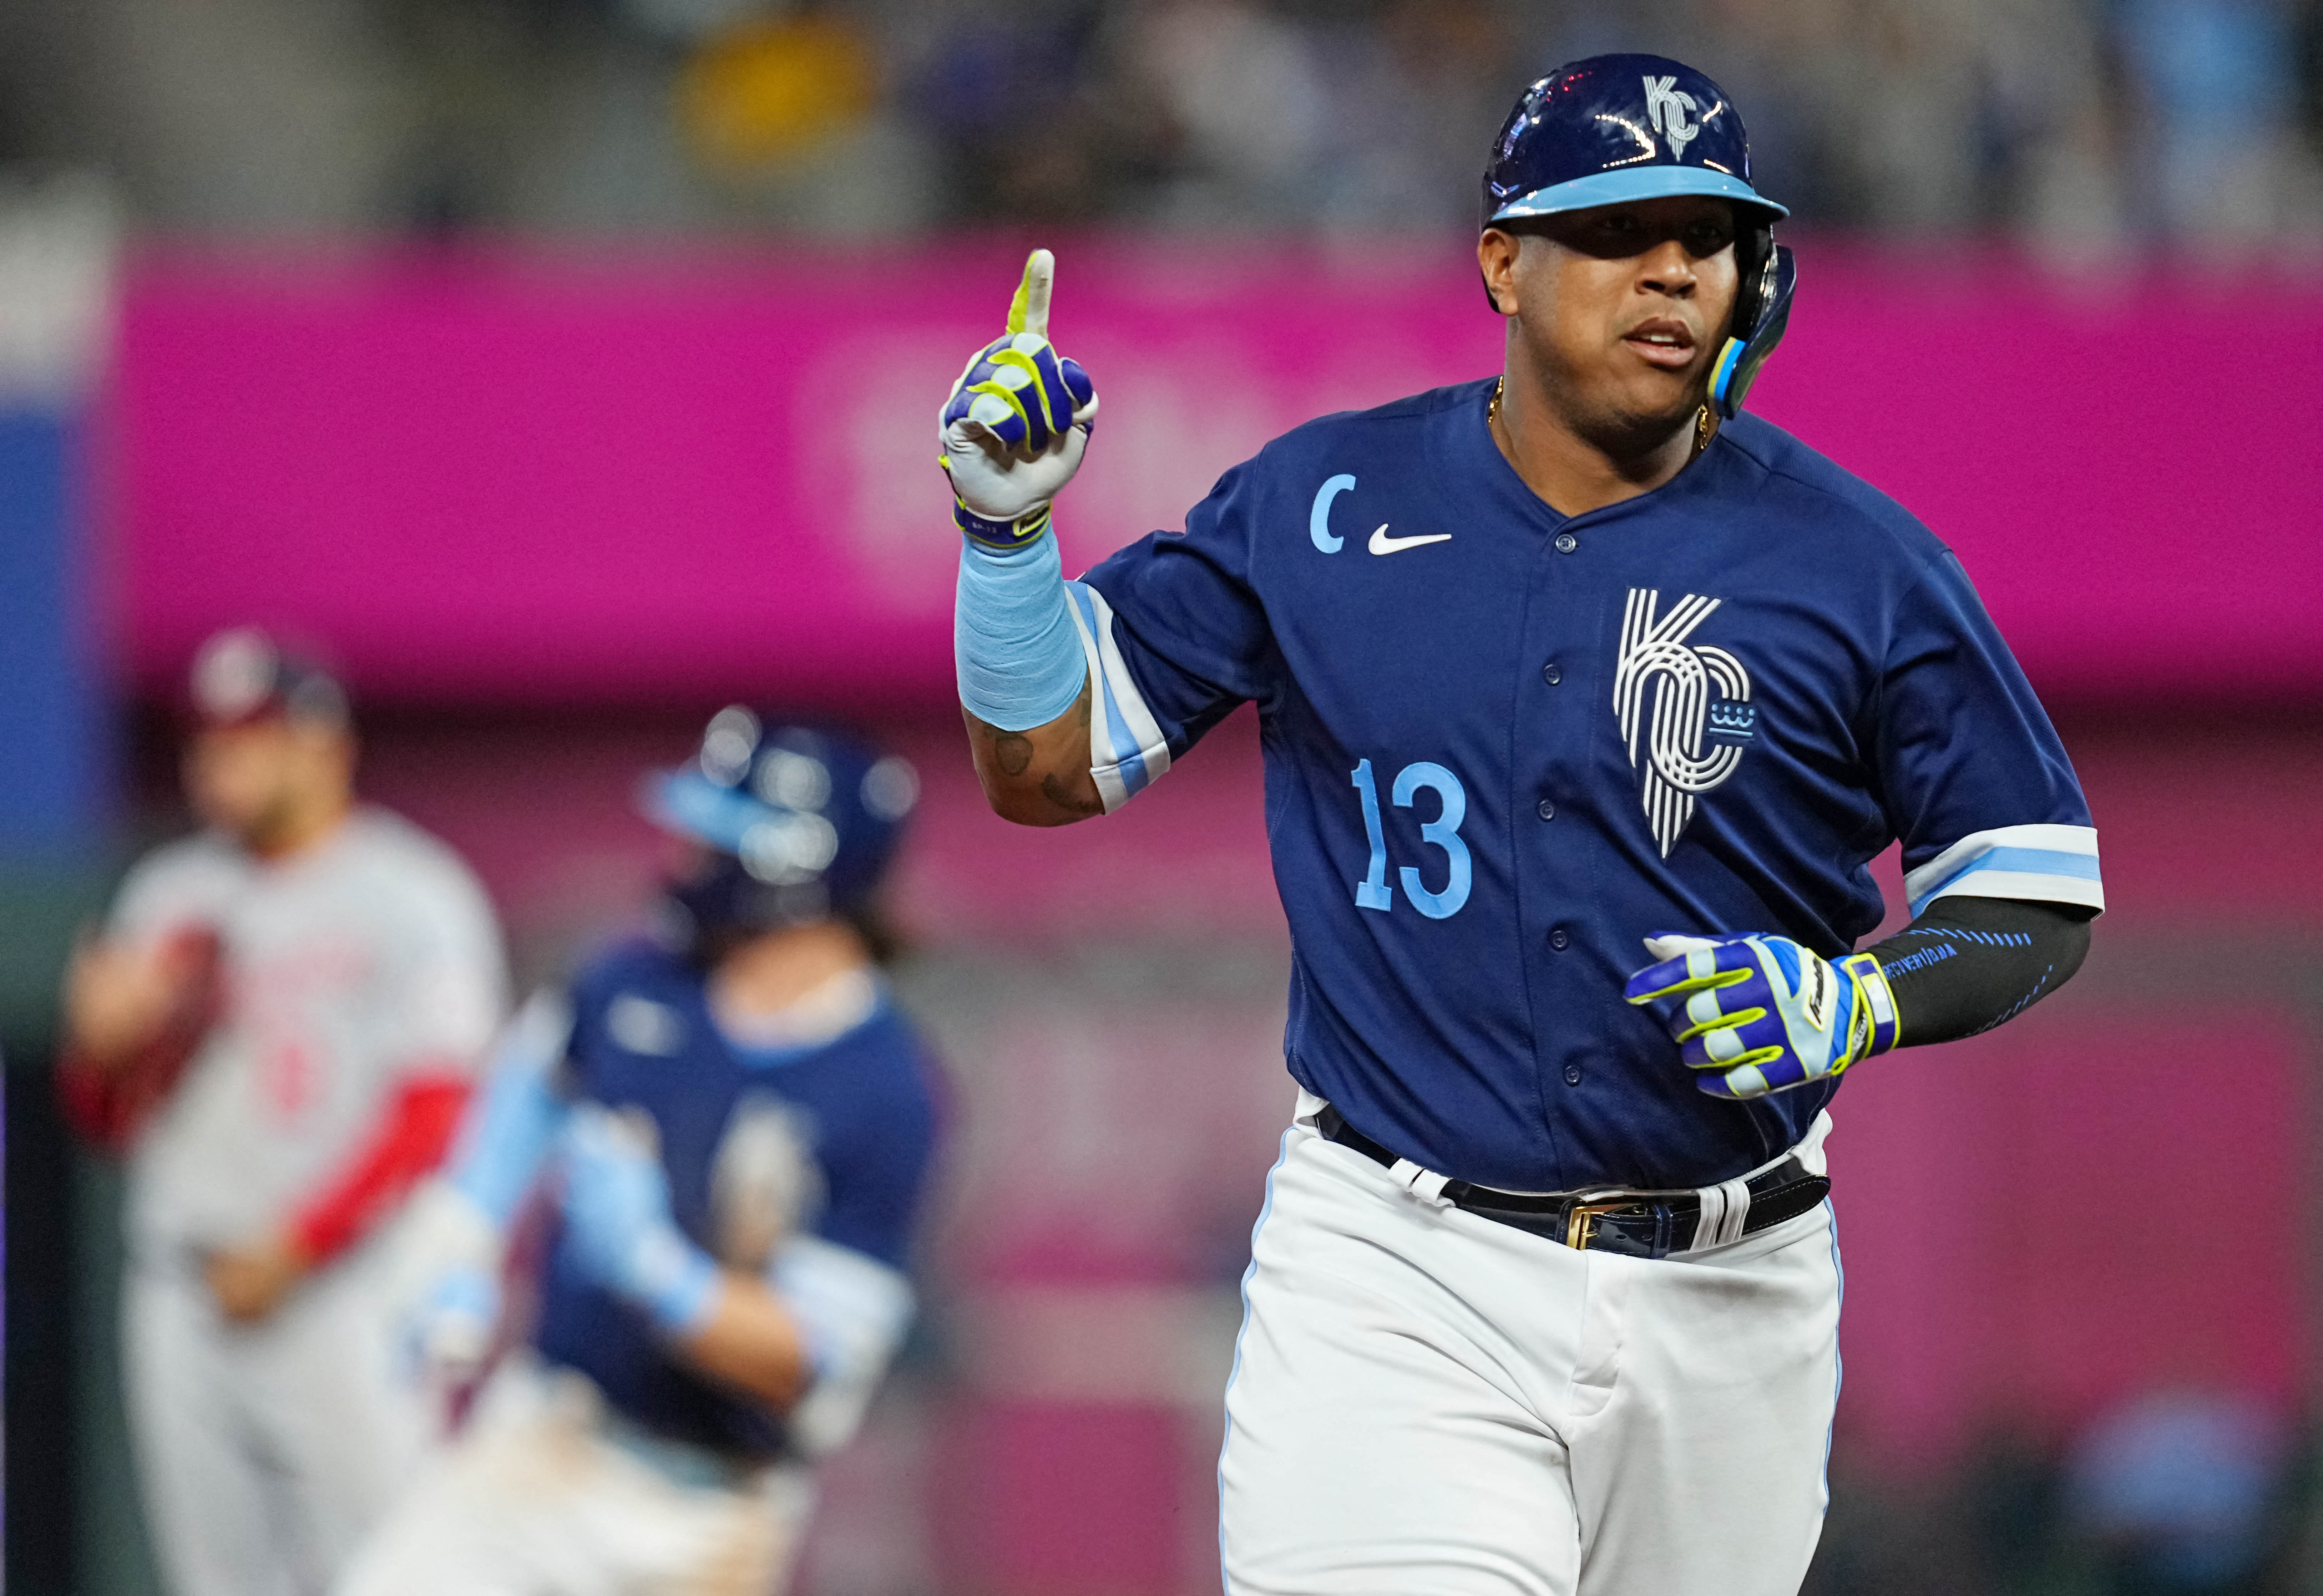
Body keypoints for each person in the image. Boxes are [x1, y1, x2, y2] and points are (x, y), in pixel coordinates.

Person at [937, 52, 2104, 1596]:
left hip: (1732, 1290)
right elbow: (1047, 769)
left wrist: (1863, 993)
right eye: (1621, 231)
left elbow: (2034, 890)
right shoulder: (1322, 500)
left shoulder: (1861, 563)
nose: (1673, 270)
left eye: (1710, 235)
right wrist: (1008, 543)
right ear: (1503, 260)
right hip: (1399, 1261)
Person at [337, 710, 939, 1596]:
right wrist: (458, 1242)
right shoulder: (637, 975)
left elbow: (806, 1357)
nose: (685, 852)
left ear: (797, 868)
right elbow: (530, 1085)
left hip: (704, 1513)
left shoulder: (886, 1090)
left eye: (719, 834)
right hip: (545, 1441)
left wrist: (657, 1269)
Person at [58, 626, 508, 1596]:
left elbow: (438, 1113)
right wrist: (99, 1056)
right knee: (215, 1581)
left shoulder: (413, 894)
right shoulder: (172, 891)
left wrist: (299, 1244)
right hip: (180, 1280)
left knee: (396, 1573)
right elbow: (105, 1121)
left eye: (249, 736)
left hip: (337, 1286)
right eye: (208, 738)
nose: (218, 761)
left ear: (320, 742)